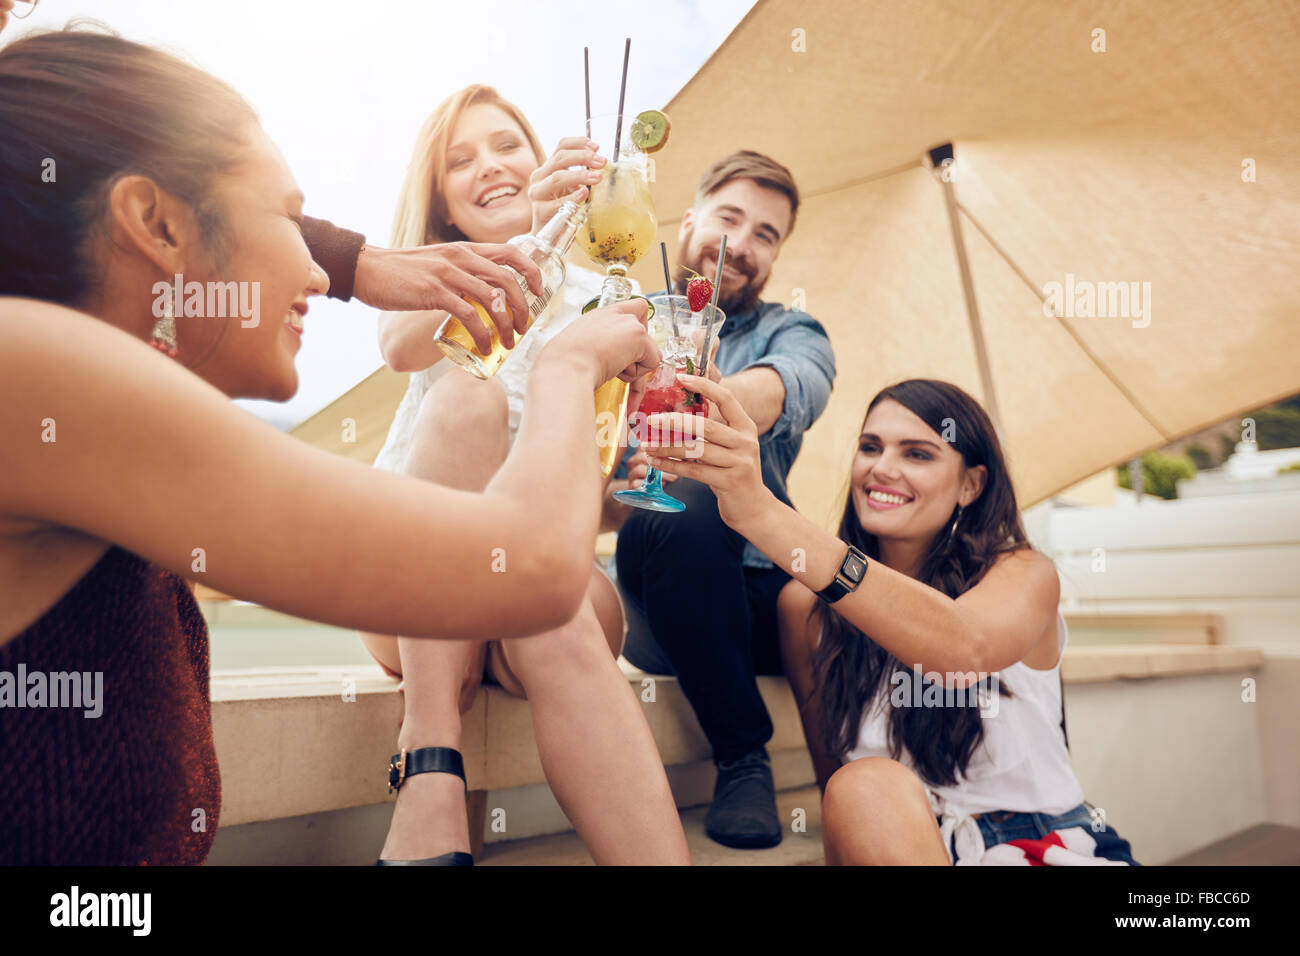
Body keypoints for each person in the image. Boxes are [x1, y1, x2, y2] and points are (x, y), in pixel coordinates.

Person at [0, 28, 658, 866]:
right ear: (155, 225)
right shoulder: (49, 379)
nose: (323, 274)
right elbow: (533, 563)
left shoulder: (70, 398)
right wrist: (570, 366)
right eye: (291, 222)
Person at [358, 85, 690, 865]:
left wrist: (624, 477)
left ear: (541, 158)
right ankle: (430, 753)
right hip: (414, 593)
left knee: (561, 612)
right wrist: (526, 232)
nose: (490, 167)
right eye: (460, 160)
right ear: (439, 196)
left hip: (534, 587)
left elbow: (597, 510)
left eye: (506, 145)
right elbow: (400, 348)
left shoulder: (603, 301)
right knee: (466, 402)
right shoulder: (433, 275)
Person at [641, 375, 1140, 865]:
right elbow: (834, 783)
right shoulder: (805, 610)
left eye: (917, 453)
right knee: (863, 785)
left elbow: (964, 650)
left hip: (1043, 842)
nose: (882, 468)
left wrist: (761, 513)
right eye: (870, 447)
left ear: (971, 484)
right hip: (899, 843)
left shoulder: (1024, 573)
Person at [610, 150, 836, 849]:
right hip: (661, 596)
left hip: (765, 600)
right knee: (689, 500)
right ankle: (743, 756)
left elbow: (792, 385)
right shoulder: (620, 323)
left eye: (765, 235)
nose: (740, 244)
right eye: (729, 218)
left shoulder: (792, 331)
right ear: (689, 219)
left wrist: (702, 398)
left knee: (716, 484)